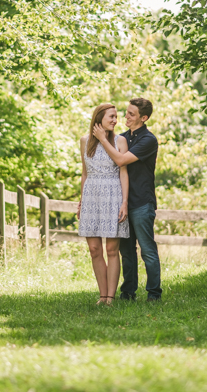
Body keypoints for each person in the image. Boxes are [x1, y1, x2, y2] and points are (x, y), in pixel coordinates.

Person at [92, 97, 161, 302]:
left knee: (147, 250)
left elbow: (121, 160)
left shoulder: (148, 140)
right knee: (126, 252)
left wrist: (103, 139)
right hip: (119, 204)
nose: (126, 116)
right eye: (127, 112)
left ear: (144, 117)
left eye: (131, 114)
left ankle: (154, 294)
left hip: (141, 202)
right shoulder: (120, 138)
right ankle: (128, 293)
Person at [77, 103, 130, 305]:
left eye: (116, 117)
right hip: (91, 197)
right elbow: (84, 173)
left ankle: (110, 297)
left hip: (113, 195)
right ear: (99, 118)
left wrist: (124, 202)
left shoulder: (120, 141)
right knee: (94, 249)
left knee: (111, 250)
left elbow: (123, 172)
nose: (115, 120)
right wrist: (81, 201)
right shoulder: (84, 141)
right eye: (112, 116)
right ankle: (101, 295)